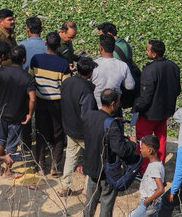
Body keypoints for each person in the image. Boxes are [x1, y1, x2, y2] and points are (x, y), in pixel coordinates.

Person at [83, 88, 140, 217]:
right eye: (119, 102)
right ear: (113, 104)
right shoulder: (111, 124)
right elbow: (121, 150)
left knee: (90, 201)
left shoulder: (89, 116)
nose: (119, 105)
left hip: (91, 166)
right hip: (106, 170)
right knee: (106, 202)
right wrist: (132, 143)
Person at [0, 46, 35, 173]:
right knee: (12, 144)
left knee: (0, 140)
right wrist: (30, 114)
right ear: (24, 60)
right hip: (17, 115)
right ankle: (8, 171)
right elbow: (32, 99)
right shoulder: (27, 77)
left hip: (2, 113)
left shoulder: (2, 72)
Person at [28, 30, 70, 176]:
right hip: (57, 103)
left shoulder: (35, 59)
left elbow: (30, 79)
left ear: (46, 43)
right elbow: (65, 87)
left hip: (40, 101)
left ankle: (40, 167)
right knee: (58, 134)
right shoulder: (63, 64)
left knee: (41, 133)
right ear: (58, 45)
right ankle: (55, 167)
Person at [134, 39, 180, 167]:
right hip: (164, 112)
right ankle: (160, 165)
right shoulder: (173, 67)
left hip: (148, 114)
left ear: (154, 54)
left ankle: (143, 169)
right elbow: (177, 90)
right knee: (161, 139)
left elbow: (145, 97)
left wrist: (138, 110)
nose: (147, 52)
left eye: (148, 50)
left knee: (144, 140)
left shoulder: (150, 70)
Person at [58, 56, 97, 197]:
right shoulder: (86, 91)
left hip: (69, 127)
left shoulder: (67, 82)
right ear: (91, 72)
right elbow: (88, 115)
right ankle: (88, 189)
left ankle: (64, 187)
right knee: (93, 158)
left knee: (70, 157)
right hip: (83, 132)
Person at [91, 35, 135, 108]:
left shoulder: (93, 64)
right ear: (114, 48)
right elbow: (130, 86)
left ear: (101, 48)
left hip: (97, 107)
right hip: (114, 106)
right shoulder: (123, 65)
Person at [131, 135, 164, 217]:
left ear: (150, 151)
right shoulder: (159, 164)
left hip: (149, 203)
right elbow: (164, 182)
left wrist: (147, 202)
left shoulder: (154, 167)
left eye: (142, 148)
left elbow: (161, 189)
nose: (140, 150)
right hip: (154, 203)